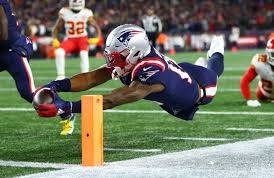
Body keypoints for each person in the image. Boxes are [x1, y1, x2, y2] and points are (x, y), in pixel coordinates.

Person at [34, 24, 224, 134]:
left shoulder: (150, 71)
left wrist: (68, 107)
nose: (112, 59)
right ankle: (202, 62)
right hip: (179, 72)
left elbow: (114, 99)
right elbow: (93, 77)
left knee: (214, 70)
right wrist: (57, 85)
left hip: (200, 89)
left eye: (118, 54)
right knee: (193, 67)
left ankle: (217, 48)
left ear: (135, 52)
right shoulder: (133, 60)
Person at [52, 0, 101, 80]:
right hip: (70, 39)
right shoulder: (65, 12)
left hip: (82, 39)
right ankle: (60, 76)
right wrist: (54, 39)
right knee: (59, 52)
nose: (76, 10)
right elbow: (56, 28)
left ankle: (85, 76)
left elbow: (96, 27)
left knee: (83, 54)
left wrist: (97, 38)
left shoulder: (86, 12)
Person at [0, 0, 35, 103]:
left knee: (29, 94)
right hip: (3, 50)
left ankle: (67, 108)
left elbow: (4, 34)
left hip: (14, 50)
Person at [240, 38, 274, 107]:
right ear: (268, 53)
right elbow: (245, 81)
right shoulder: (260, 62)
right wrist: (249, 100)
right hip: (264, 95)